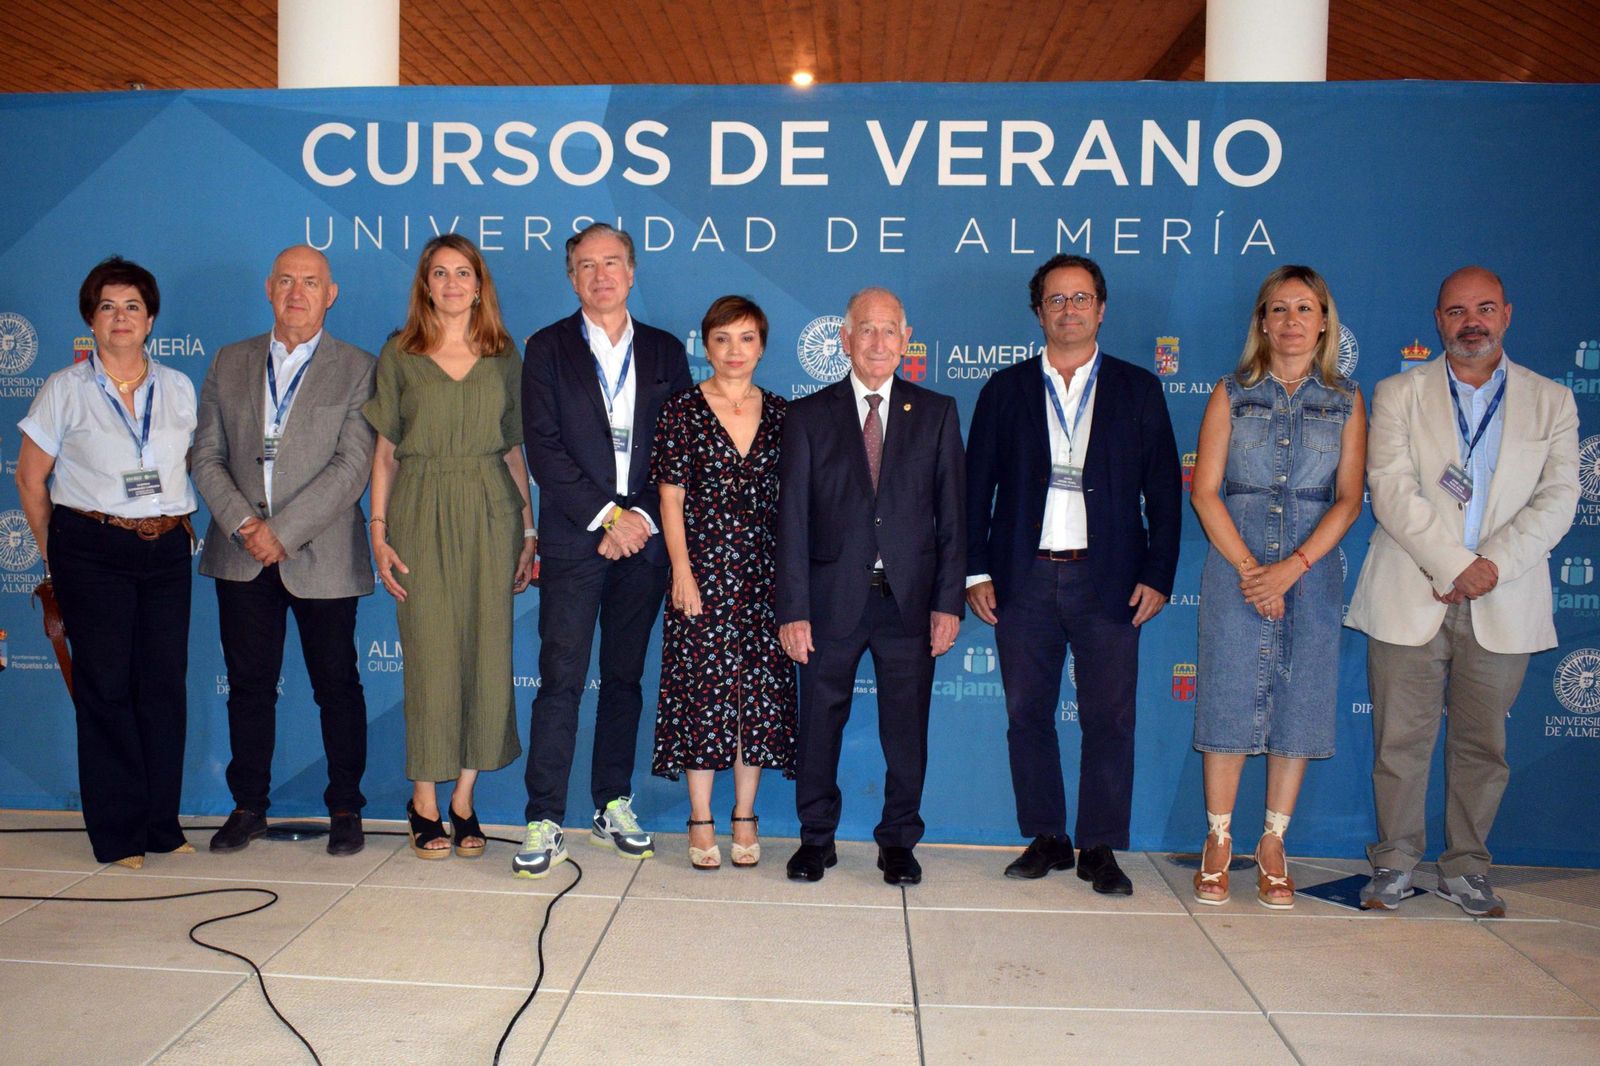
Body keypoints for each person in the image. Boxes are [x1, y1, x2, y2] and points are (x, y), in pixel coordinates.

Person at [1347, 266, 1577, 917]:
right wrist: (1453, 564)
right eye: (1455, 311)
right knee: (1399, 742)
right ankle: (1393, 863)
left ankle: (1467, 867)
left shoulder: (1551, 401)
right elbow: (1389, 488)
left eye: (1483, 309)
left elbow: (1560, 498)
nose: (1470, 322)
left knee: (1484, 746)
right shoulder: (1398, 393)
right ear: (1438, 319)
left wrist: (1490, 567)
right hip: (1410, 591)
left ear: (1506, 314)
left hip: (1505, 599)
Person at [965, 254, 1181, 896]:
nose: (1068, 310)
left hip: (1109, 579)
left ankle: (1101, 845)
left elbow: (1166, 492)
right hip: (1022, 576)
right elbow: (976, 492)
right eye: (1055, 300)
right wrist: (975, 571)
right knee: (1026, 713)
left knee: (1109, 719)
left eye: (1080, 298)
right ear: (1038, 312)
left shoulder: (1138, 389)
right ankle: (1048, 837)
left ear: (1102, 308)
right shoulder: (1004, 391)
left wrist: (1160, 573)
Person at [1188, 266, 1367, 908]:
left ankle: (1272, 842)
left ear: (1324, 321)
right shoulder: (1231, 393)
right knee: (1229, 695)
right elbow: (1205, 492)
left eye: (1304, 308)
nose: (1291, 321)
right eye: (1278, 309)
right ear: (1261, 321)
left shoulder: (1346, 400)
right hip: (1235, 568)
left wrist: (1292, 568)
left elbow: (1349, 499)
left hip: (1312, 574)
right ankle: (1217, 838)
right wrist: (1251, 572)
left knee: (1300, 699)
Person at [516, 223, 691, 879]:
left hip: (642, 544)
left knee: (623, 679)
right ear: (571, 277)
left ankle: (611, 802)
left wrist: (639, 517)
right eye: (586, 266)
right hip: (574, 538)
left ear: (632, 270)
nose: (600, 275)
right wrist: (606, 517)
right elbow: (543, 448)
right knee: (560, 681)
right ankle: (543, 816)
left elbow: (676, 446)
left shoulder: (667, 352)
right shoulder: (547, 349)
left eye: (611, 262)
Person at [191, 246, 377, 858]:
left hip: (320, 551)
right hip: (241, 551)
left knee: (337, 686)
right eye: (287, 281)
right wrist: (247, 524)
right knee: (248, 686)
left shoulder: (358, 367)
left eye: (312, 283)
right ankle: (248, 807)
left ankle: (346, 807)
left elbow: (353, 467)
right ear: (270, 289)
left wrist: (284, 531)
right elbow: (205, 455)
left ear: (332, 294)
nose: (297, 292)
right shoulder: (229, 360)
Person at [777, 287, 965, 886]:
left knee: (906, 728)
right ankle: (815, 840)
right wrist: (794, 608)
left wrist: (947, 602)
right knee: (819, 724)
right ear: (845, 339)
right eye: (866, 329)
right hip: (831, 601)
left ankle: (899, 841)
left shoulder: (936, 412)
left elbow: (954, 518)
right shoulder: (807, 416)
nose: (878, 341)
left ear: (906, 341)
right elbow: (793, 522)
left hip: (909, 602)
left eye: (890, 330)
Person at [15, 256, 196, 869]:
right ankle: (118, 834)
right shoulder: (63, 389)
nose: (121, 318)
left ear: (151, 320)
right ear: (91, 319)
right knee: (106, 688)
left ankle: (160, 824)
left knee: (164, 688)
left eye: (133, 307)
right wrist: (56, 552)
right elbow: (31, 479)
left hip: (167, 548)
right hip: (91, 548)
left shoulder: (177, 386)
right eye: (108, 307)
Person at [364, 234, 536, 860]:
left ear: (479, 282)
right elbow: (384, 455)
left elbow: (515, 450)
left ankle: (464, 799)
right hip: (419, 509)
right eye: (441, 273)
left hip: (493, 509)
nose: (453, 284)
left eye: (464, 272)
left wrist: (529, 529)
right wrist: (378, 532)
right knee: (431, 657)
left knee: (488, 653)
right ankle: (424, 802)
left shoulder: (503, 354)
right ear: (425, 285)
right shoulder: (401, 353)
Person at [650, 295, 796, 870]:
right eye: (722, 339)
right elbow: (670, 498)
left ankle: (745, 816)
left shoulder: (786, 415)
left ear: (762, 345)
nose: (735, 352)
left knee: (755, 699)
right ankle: (700, 818)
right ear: (705, 345)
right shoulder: (682, 411)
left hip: (765, 577)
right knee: (702, 698)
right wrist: (680, 571)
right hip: (702, 572)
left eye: (747, 339)